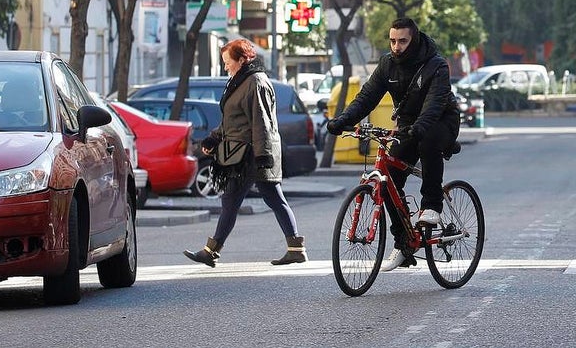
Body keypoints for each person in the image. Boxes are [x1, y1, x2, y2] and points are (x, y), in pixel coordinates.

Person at [325, 17, 461, 272]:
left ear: (415, 40)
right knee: (387, 182)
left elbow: (433, 104)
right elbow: (367, 97)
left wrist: (419, 128)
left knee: (427, 141)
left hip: (442, 120)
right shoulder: (388, 64)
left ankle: (432, 206)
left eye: (402, 41)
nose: (396, 46)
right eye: (392, 41)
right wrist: (342, 120)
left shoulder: (436, 65)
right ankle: (404, 243)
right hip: (408, 124)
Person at [183, 38, 306, 268]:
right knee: (266, 198)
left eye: (228, 62)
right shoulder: (240, 81)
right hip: (243, 152)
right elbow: (234, 121)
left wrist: (263, 156)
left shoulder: (255, 82)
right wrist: (214, 137)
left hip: (250, 155)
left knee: (240, 199)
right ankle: (295, 247)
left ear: (241, 60)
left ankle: (212, 251)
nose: (225, 66)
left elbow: (262, 122)